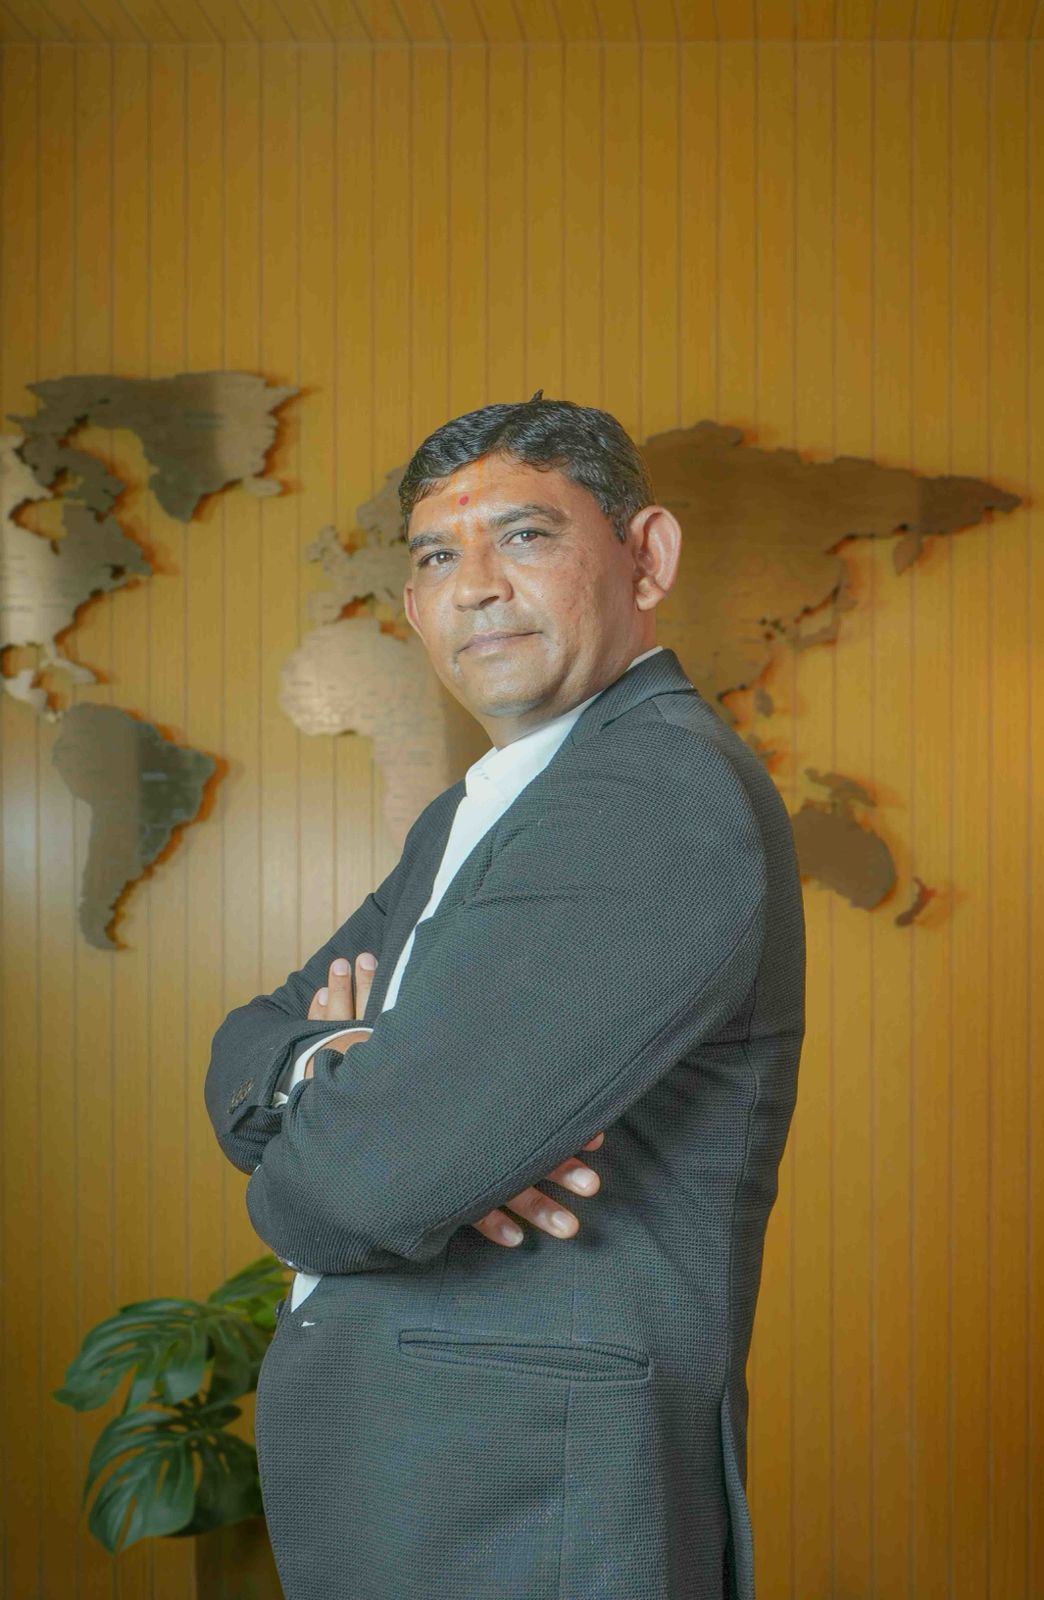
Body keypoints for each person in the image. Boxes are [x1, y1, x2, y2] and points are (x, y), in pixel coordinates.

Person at [204, 393, 805, 1600]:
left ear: (647, 557)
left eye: (525, 536)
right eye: (438, 556)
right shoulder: (485, 805)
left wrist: (369, 1113)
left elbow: (354, 1187)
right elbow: (243, 1048)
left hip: (531, 1502)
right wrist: (333, 1067)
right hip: (445, 1476)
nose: (475, 586)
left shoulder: (651, 795)